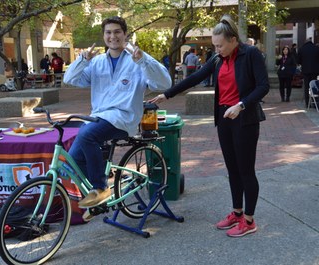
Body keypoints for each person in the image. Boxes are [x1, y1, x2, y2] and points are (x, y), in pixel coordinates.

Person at [150, 15, 269, 238]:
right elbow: (195, 78)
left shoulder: (250, 54)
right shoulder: (217, 59)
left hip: (244, 119)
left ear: (233, 40)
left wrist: (241, 105)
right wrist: (166, 95)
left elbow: (263, 87)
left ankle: (249, 220)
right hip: (224, 118)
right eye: (215, 45)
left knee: (245, 171)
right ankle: (237, 212)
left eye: (220, 45)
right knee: (232, 169)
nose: (217, 49)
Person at [63, 16, 171, 209]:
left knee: (87, 135)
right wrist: (82, 60)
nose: (113, 36)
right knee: (72, 159)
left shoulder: (137, 60)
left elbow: (165, 83)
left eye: (117, 32)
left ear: (125, 34)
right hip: (98, 118)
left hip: (123, 118)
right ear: (104, 35)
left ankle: (101, 187)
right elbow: (70, 79)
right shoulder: (96, 62)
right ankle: (101, 198)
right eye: (108, 32)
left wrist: (144, 61)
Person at [297, 38, 319, 107]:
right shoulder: (316, 48)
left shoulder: (301, 49)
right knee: (314, 86)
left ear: (305, 42)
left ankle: (307, 103)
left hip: (305, 71)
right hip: (315, 71)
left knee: (306, 87)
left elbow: (298, 61)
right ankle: (315, 102)